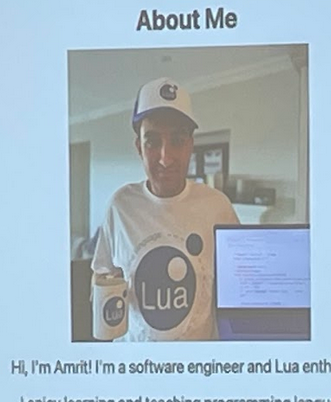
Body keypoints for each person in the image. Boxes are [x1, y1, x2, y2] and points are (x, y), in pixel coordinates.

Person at [91, 77, 239, 341]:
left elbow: (238, 284)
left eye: (178, 140)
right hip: (137, 367)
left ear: (191, 146)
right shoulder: (120, 205)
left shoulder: (218, 207)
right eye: (152, 141)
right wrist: (103, 285)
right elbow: (100, 275)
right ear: (139, 147)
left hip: (199, 369)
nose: (165, 157)